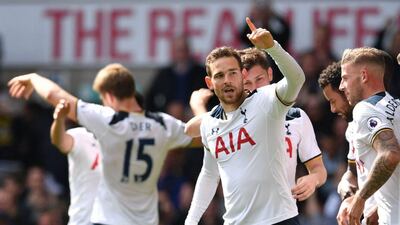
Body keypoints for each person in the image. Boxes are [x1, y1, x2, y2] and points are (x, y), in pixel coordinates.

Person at [8, 63, 201, 225]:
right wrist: (199, 108)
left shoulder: (109, 122)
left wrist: (34, 78)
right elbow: (205, 137)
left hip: (108, 221)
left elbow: (55, 94)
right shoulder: (163, 124)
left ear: (108, 96)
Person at [185, 17, 305, 225]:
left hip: (278, 219)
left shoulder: (266, 101)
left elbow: (297, 79)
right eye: (220, 76)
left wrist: (272, 47)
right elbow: (209, 174)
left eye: (233, 73)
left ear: (243, 75)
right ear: (210, 83)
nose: (227, 80)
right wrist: (191, 221)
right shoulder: (210, 123)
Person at [186, 47, 326, 203]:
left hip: (283, 211)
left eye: (259, 79)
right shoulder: (233, 118)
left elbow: (318, 169)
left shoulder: (296, 117)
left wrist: (313, 179)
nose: (254, 89)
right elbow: (193, 128)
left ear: (270, 74)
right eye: (247, 83)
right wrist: (198, 107)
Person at [338, 47, 400, 225]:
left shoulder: (365, 109)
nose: (342, 86)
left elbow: (390, 154)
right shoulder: (396, 107)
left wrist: (360, 198)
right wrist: (380, 206)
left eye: (345, 78)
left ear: (364, 76)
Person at [318, 61, 379, 225]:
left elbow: (392, 158)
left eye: (333, 101)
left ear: (345, 91)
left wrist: (379, 207)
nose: (332, 109)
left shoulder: (379, 117)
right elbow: (352, 171)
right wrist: (347, 193)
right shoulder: (352, 128)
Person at [50, 99, 101, 225]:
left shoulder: (120, 142)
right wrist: (59, 120)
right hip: (83, 220)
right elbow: (59, 141)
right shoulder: (80, 136)